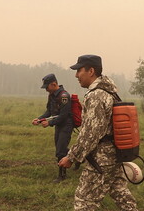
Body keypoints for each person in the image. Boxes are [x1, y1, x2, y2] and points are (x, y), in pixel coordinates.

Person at [58, 55, 138, 210]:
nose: (76, 75)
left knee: (84, 201)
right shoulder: (109, 92)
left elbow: (91, 133)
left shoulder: (96, 95)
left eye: (79, 70)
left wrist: (72, 156)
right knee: (121, 194)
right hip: (115, 154)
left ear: (91, 71)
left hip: (101, 159)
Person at [32, 73, 73, 183]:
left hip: (66, 125)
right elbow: (49, 112)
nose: (46, 90)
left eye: (47, 87)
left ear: (54, 84)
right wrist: (39, 119)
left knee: (60, 151)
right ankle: (80, 156)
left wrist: (49, 123)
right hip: (58, 125)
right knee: (61, 149)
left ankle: (62, 175)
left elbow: (64, 116)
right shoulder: (51, 95)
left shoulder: (64, 96)